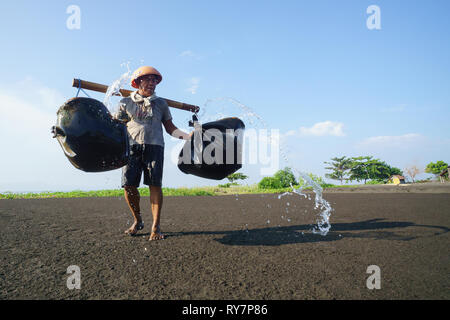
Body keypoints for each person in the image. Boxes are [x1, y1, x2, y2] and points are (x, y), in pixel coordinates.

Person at [114, 66, 192, 240]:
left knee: (155, 185)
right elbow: (116, 127)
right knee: (129, 186)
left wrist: (187, 136)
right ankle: (138, 220)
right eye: (148, 79)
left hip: (155, 147)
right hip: (132, 148)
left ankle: (155, 227)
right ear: (138, 82)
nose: (152, 83)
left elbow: (170, 128)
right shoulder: (125, 103)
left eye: (155, 80)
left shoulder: (161, 104)